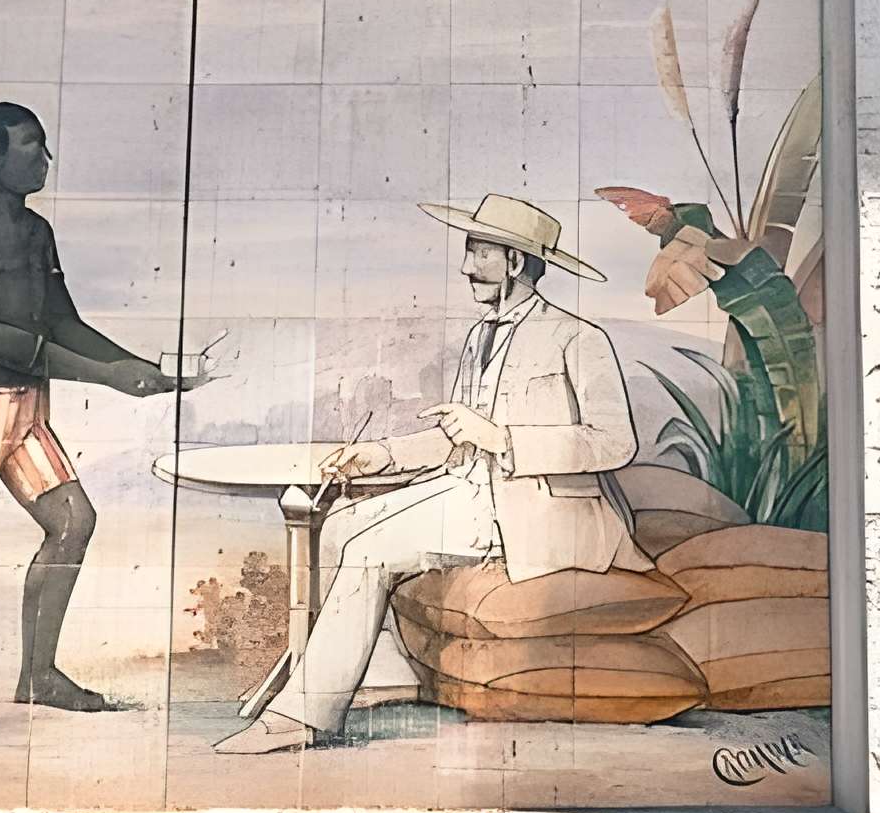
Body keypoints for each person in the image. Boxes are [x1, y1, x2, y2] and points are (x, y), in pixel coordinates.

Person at [219, 193, 644, 754]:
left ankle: (303, 719)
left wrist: (503, 440)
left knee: (369, 549)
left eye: (479, 252)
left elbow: (615, 442)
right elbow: (456, 432)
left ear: (516, 262)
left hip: (539, 509)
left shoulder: (579, 338)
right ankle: (363, 680)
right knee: (343, 523)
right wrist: (381, 455)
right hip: (472, 493)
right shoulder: (479, 336)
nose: (467, 266)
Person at [0, 100, 200, 744]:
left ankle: (39, 674)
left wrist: (137, 366)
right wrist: (102, 374)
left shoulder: (36, 233)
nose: (45, 160)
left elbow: (62, 321)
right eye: (33, 146)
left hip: (27, 410)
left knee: (73, 523)